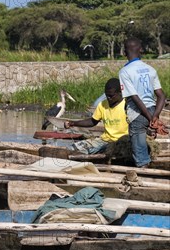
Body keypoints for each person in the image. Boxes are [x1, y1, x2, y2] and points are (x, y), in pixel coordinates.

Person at [119, 38, 167, 167]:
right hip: (152, 109)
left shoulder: (125, 71)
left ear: (124, 52)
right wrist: (155, 116)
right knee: (143, 146)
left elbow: (135, 98)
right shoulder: (150, 69)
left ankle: (144, 177)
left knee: (140, 155)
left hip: (138, 114)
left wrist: (150, 117)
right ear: (140, 50)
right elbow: (162, 96)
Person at [64, 78, 128, 154]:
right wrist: (73, 123)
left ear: (120, 93)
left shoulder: (127, 105)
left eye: (111, 96)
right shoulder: (102, 105)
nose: (108, 98)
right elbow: (92, 121)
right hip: (105, 140)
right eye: (107, 95)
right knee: (73, 149)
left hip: (122, 141)